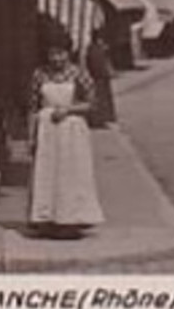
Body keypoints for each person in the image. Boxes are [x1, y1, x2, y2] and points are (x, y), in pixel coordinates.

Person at [27, 35, 104, 238]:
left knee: (70, 174)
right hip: (47, 130)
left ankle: (70, 220)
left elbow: (93, 104)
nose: (57, 59)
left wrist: (69, 109)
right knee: (47, 173)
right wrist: (31, 137)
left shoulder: (79, 73)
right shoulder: (39, 74)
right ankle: (45, 220)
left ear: (68, 53)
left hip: (71, 130)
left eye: (61, 53)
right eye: (53, 53)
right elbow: (33, 107)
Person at [84, 28, 117, 128]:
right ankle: (99, 119)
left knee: (101, 99)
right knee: (100, 99)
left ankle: (101, 119)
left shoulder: (93, 48)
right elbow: (99, 64)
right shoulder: (96, 49)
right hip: (99, 77)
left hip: (99, 77)